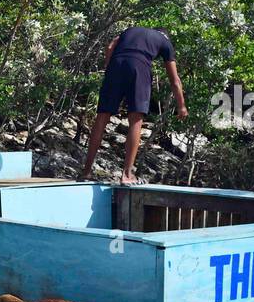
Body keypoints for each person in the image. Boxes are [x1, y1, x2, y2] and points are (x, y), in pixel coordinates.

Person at [80, 26, 188, 184]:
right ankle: (127, 175)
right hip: (139, 68)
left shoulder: (131, 30)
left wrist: (110, 68)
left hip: (116, 65)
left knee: (102, 117)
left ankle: (86, 172)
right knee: (136, 119)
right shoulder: (165, 41)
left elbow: (110, 46)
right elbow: (175, 80)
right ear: (165, 35)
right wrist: (182, 106)